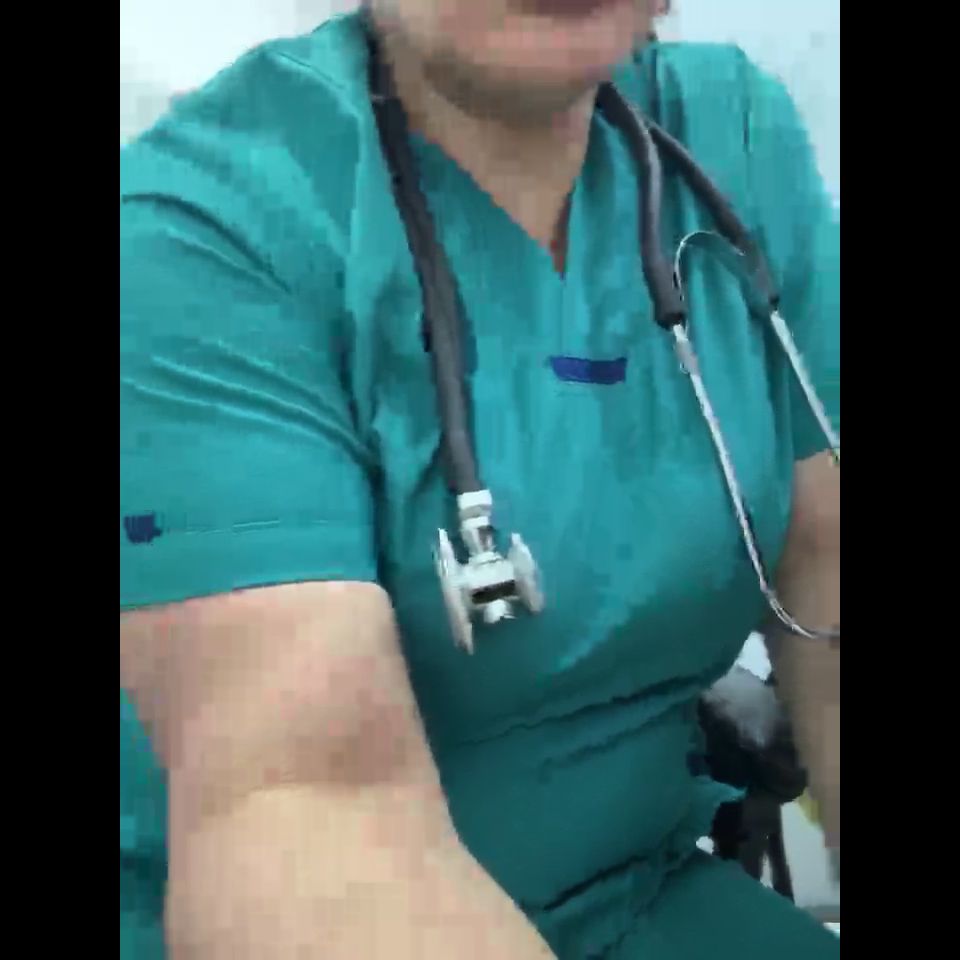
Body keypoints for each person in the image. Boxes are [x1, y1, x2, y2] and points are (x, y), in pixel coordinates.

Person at [119, 1, 840, 957]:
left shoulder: (733, 134)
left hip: (639, 891)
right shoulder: (206, 225)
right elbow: (306, 807)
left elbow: (827, 572)